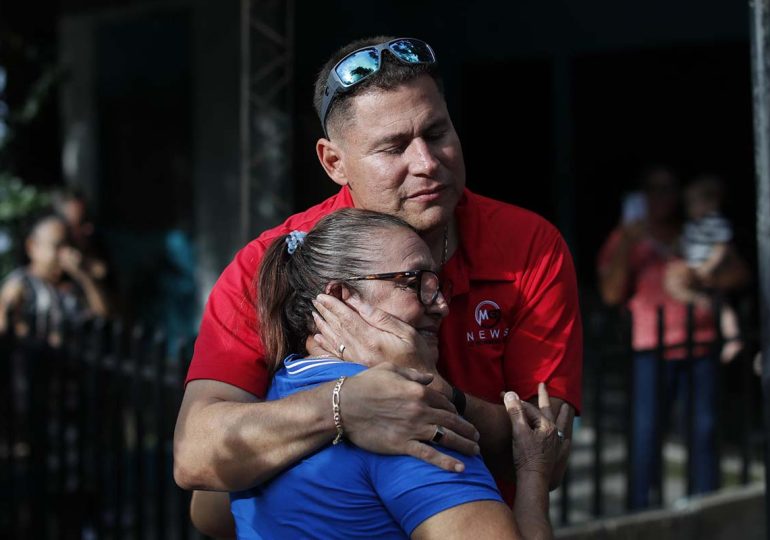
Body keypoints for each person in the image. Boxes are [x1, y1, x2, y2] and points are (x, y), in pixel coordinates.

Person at [174, 36, 582, 535]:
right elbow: (196, 459)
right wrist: (344, 404)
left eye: (438, 132)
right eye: (393, 147)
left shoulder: (528, 245)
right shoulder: (271, 261)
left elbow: (549, 455)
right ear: (333, 162)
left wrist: (422, 384)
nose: (427, 162)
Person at [230, 208, 566, 539]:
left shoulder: (271, 394)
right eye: (415, 282)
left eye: (438, 285)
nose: (441, 305)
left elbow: (210, 512)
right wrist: (533, 474)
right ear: (339, 297)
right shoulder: (407, 418)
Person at [597, 166, 748, 509]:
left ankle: (706, 508)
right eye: (654, 189)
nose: (662, 197)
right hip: (652, 347)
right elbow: (610, 293)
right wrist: (628, 242)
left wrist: (702, 278)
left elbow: (739, 275)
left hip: (701, 343)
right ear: (641, 195)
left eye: (669, 189)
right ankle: (640, 510)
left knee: (704, 432)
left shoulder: (694, 230)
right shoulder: (625, 238)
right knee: (647, 434)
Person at [664, 174, 743, 362]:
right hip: (693, 270)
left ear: (710, 203)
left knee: (724, 308)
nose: (689, 207)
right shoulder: (692, 226)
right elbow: (682, 244)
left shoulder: (715, 222)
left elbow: (721, 247)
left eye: (694, 202)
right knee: (673, 285)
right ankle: (699, 300)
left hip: (710, 270)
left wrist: (709, 267)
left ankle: (733, 339)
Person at [0, 214, 109, 345]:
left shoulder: (72, 287)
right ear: (32, 246)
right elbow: (6, 328)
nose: (66, 254)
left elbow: (103, 320)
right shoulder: (20, 284)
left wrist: (84, 275)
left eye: (69, 246)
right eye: (58, 246)